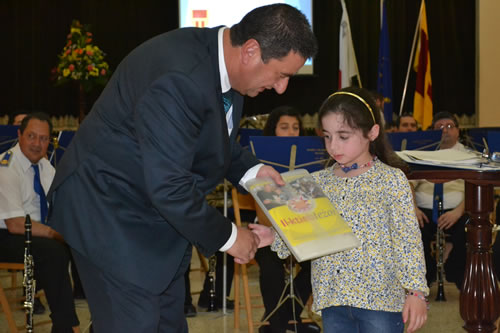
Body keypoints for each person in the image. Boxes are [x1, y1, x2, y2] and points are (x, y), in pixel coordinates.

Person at [47, 4, 317, 332]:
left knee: (168, 325)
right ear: (251, 51)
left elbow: (210, 139)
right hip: (108, 211)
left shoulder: (225, 66)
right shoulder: (178, 78)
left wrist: (251, 171)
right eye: (281, 74)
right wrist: (232, 237)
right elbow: (170, 187)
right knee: (135, 325)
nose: (281, 88)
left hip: (156, 217)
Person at [250, 87, 428, 333]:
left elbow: (407, 239)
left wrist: (416, 291)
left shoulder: (391, 180)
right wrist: (274, 236)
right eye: (327, 136)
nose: (333, 145)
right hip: (332, 297)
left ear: (372, 132)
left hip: (380, 301)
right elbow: (307, 231)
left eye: (343, 136)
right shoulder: (317, 181)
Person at [0, 112, 80, 333]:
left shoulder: (45, 167)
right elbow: (16, 225)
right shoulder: (6, 166)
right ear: (19, 135)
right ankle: (67, 326)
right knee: (53, 251)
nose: (37, 144)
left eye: (44, 138)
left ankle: (99, 317)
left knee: (85, 245)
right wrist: (58, 233)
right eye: (31, 136)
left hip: (34, 234)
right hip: (7, 236)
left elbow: (65, 203)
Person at [256, 106, 319, 333]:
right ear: (273, 131)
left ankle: (286, 316)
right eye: (284, 127)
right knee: (270, 264)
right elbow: (262, 216)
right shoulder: (259, 163)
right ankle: (280, 325)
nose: (291, 132)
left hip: (304, 228)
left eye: (295, 128)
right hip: (269, 229)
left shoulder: (311, 162)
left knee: (321, 262)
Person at [411, 111, 468, 289]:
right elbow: (409, 185)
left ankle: (455, 272)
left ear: (458, 131)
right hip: (424, 211)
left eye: (450, 126)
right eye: (439, 127)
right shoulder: (422, 153)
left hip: (458, 211)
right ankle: (426, 277)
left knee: (470, 231)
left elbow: (474, 187)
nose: (445, 130)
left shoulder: (468, 155)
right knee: (410, 229)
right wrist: (414, 209)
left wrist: (458, 212)